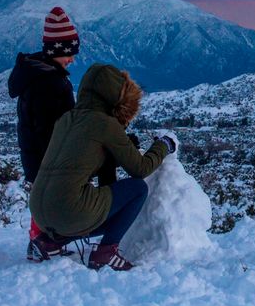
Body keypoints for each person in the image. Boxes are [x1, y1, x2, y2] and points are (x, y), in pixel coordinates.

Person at [29, 64, 176, 271]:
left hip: (39, 212)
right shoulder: (104, 123)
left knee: (98, 206)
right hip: (69, 211)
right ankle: (106, 252)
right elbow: (140, 169)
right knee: (137, 189)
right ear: (117, 96)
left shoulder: (67, 119)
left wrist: (114, 152)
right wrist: (164, 145)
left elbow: (89, 169)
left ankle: (50, 243)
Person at [8, 6, 79, 261]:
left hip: (35, 153)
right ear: (57, 51)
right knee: (46, 199)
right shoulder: (48, 82)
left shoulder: (40, 75)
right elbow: (51, 126)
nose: (72, 59)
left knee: (43, 197)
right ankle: (40, 242)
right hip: (45, 154)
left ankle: (43, 241)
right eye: (69, 53)